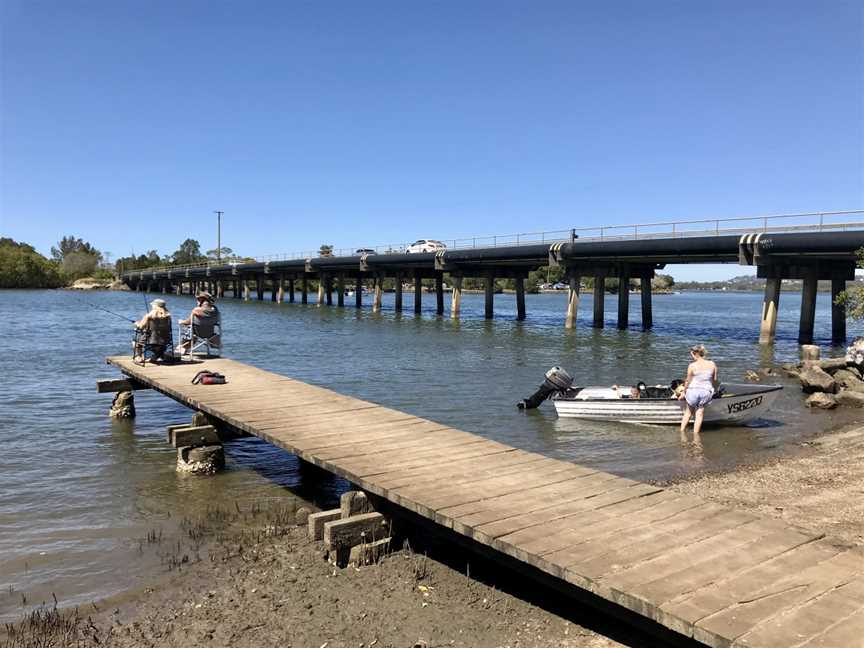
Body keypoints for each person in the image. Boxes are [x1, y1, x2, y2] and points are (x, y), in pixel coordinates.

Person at [678, 344, 718, 438]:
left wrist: (683, 393)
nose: (691, 356)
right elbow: (715, 380)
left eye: (691, 354)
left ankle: (681, 434)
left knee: (688, 413)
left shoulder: (692, 365)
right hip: (705, 392)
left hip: (693, 392)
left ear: (694, 353)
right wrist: (715, 391)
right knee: (699, 414)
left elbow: (688, 381)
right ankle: (696, 438)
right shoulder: (712, 364)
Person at [133, 298, 173, 362]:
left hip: (150, 340)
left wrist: (136, 323)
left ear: (155, 306)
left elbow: (141, 327)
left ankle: (139, 357)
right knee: (157, 341)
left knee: (135, 342)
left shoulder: (149, 316)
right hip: (165, 341)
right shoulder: (168, 316)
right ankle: (156, 356)